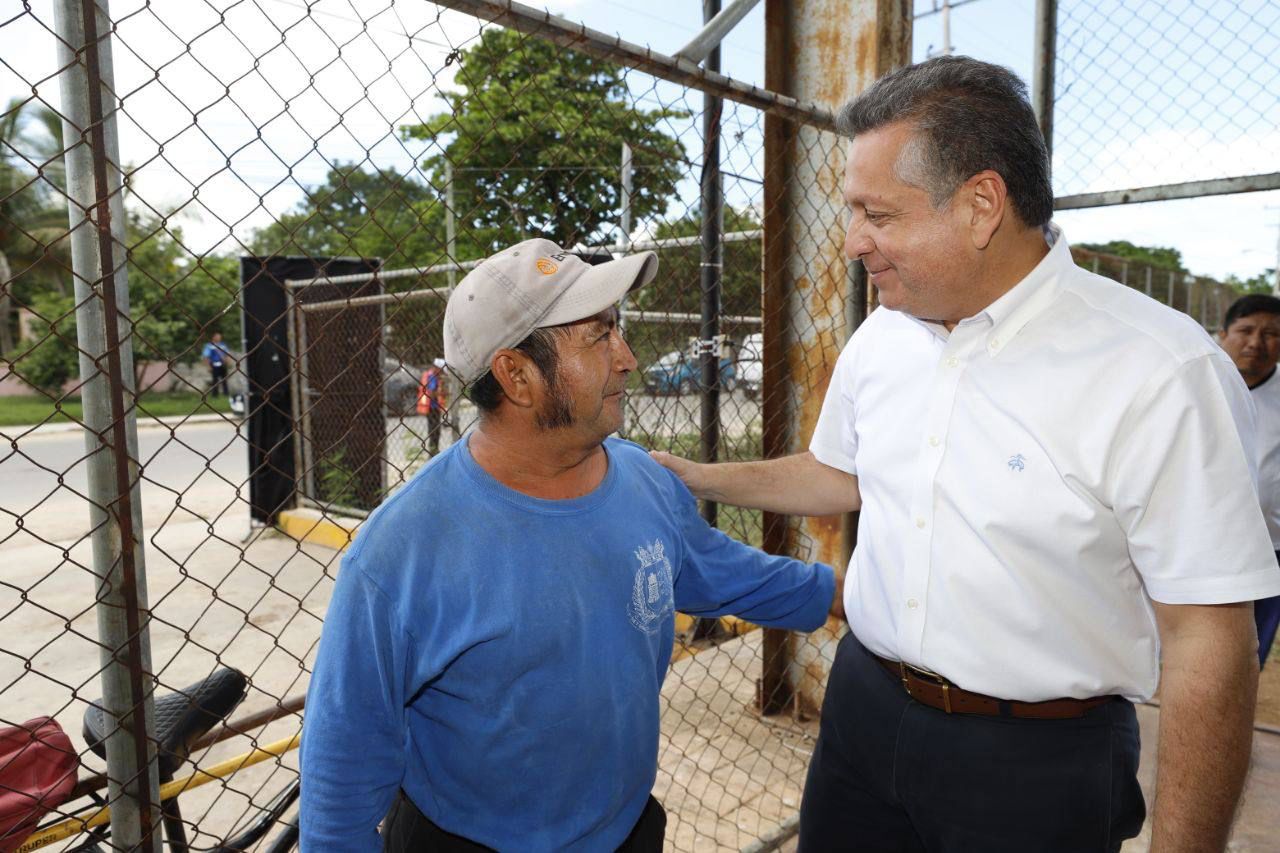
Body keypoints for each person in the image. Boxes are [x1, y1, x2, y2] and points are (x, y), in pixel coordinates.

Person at [652, 56, 1279, 852]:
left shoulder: (1161, 372)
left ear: (982, 204)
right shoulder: (886, 330)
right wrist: (699, 476)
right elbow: (840, 472)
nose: (852, 242)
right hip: (864, 713)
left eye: (877, 213)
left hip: (1036, 761)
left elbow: (1208, 640)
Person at [299, 238, 835, 851]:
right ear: (517, 375)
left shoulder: (642, 480)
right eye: (598, 336)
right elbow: (343, 769)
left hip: (627, 830)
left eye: (619, 330)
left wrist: (837, 595)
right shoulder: (401, 550)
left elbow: (716, 568)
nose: (628, 357)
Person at [1219, 293, 1280, 668]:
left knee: (1247, 655)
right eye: (1245, 330)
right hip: (1200, 541)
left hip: (1270, 549)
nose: (1256, 342)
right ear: (1223, 333)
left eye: (1272, 333)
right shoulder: (1196, 382)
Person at [416, 357, 448, 455]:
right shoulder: (432, 377)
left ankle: (434, 449)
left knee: (434, 429)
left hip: (434, 407)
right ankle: (433, 450)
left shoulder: (431, 375)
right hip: (431, 407)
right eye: (441, 370)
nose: (442, 372)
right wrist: (441, 390)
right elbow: (432, 393)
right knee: (434, 430)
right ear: (437, 368)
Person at [201, 331, 229, 397]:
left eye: (220, 337)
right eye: (217, 337)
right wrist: (208, 366)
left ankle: (226, 393)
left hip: (223, 364)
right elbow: (206, 356)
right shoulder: (209, 346)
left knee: (224, 379)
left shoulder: (223, 345)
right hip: (214, 364)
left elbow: (227, 354)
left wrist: (227, 362)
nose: (219, 338)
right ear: (213, 337)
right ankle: (215, 394)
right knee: (215, 380)